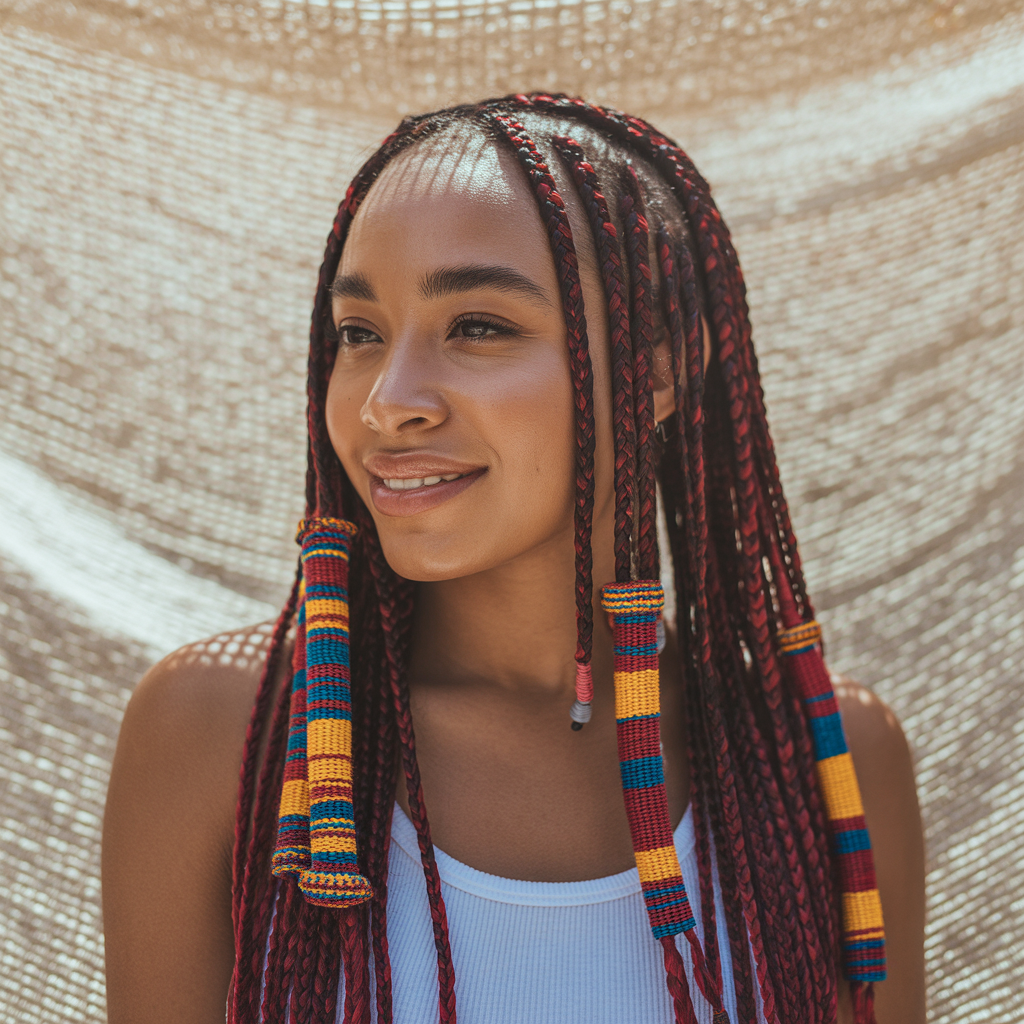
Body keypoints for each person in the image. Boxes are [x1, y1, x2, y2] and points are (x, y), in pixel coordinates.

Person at [102, 94, 926, 1024]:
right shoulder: (227, 730)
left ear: (654, 368)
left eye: (478, 327)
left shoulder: (828, 759)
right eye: (360, 335)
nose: (387, 401)